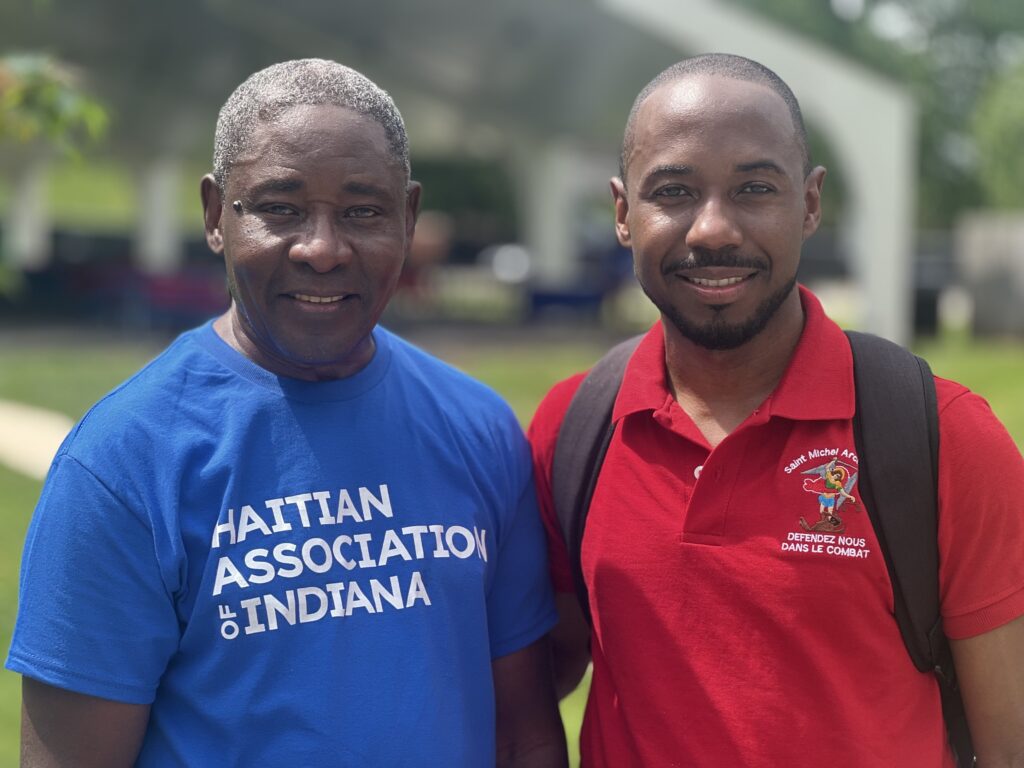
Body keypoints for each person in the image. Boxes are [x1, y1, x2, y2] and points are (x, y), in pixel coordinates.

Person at [7, 59, 566, 768]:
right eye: (280, 208)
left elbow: (523, 737)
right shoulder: (123, 461)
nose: (323, 248)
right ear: (215, 216)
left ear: (410, 217)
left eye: (363, 211)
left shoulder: (479, 428)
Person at [528, 53, 1024, 767]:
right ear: (621, 213)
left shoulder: (942, 437)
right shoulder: (574, 427)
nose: (713, 230)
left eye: (755, 188)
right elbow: (534, 674)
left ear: (811, 203)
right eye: (673, 191)